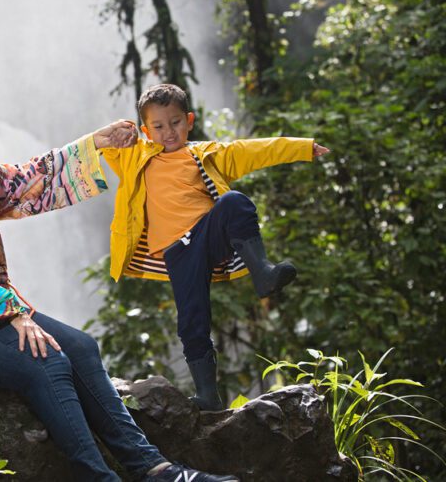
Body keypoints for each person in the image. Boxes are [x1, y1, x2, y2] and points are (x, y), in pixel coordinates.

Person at [0, 59, 238, 481]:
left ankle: (154, 467)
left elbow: (22, 184)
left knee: (80, 347)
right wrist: (11, 313)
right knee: (48, 361)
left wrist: (97, 144)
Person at [100, 83, 330, 411]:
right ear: (146, 131)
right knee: (192, 319)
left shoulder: (206, 154)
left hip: (207, 235)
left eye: (176, 122)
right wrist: (118, 132)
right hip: (176, 252)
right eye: (159, 126)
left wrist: (303, 147)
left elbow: (256, 150)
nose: (168, 132)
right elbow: (104, 146)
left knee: (235, 202)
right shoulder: (136, 159)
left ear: (189, 120)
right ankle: (208, 394)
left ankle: (262, 273)